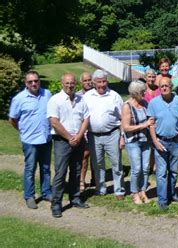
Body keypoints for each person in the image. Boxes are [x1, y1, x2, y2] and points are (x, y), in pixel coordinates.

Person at [47, 73, 90, 218]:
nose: (70, 86)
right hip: (62, 141)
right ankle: (56, 204)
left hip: (78, 140)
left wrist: (78, 136)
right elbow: (54, 122)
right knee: (60, 173)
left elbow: (86, 118)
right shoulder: (55, 100)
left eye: (72, 83)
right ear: (62, 83)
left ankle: (75, 198)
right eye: (67, 83)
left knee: (77, 171)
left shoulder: (81, 99)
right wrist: (69, 137)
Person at [9, 71, 52, 209]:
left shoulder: (47, 94)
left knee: (46, 168)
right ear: (25, 83)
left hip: (46, 139)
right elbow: (13, 119)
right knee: (30, 169)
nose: (34, 83)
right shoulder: (19, 98)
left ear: (39, 81)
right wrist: (23, 131)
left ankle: (46, 192)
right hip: (30, 141)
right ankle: (29, 196)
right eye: (30, 82)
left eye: (36, 81)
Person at [83, 70, 126, 200]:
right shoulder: (87, 96)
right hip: (93, 135)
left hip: (112, 134)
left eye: (104, 81)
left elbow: (122, 118)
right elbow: (83, 116)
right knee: (97, 164)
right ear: (94, 82)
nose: (102, 84)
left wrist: (122, 136)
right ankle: (100, 189)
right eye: (99, 81)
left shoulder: (114, 96)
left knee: (116, 164)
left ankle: (119, 190)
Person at [148, 77, 178, 209]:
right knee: (161, 173)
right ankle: (163, 199)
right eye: (162, 86)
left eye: (167, 86)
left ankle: (171, 194)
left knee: (173, 171)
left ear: (171, 87)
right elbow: (151, 124)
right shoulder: (153, 103)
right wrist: (155, 141)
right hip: (161, 141)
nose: (164, 88)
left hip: (175, 140)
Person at [121, 80, 154, 205]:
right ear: (135, 93)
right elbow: (126, 127)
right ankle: (135, 193)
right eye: (142, 92)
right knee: (137, 169)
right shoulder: (127, 106)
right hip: (133, 142)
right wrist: (144, 124)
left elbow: (150, 118)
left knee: (145, 168)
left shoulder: (145, 103)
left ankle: (143, 191)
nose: (144, 93)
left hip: (146, 141)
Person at [77, 72, 94, 192]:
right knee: (85, 156)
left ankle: (95, 179)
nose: (88, 82)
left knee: (96, 157)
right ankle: (81, 181)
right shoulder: (78, 96)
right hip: (83, 129)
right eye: (85, 80)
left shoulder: (97, 93)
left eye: (89, 80)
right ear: (81, 82)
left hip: (96, 129)